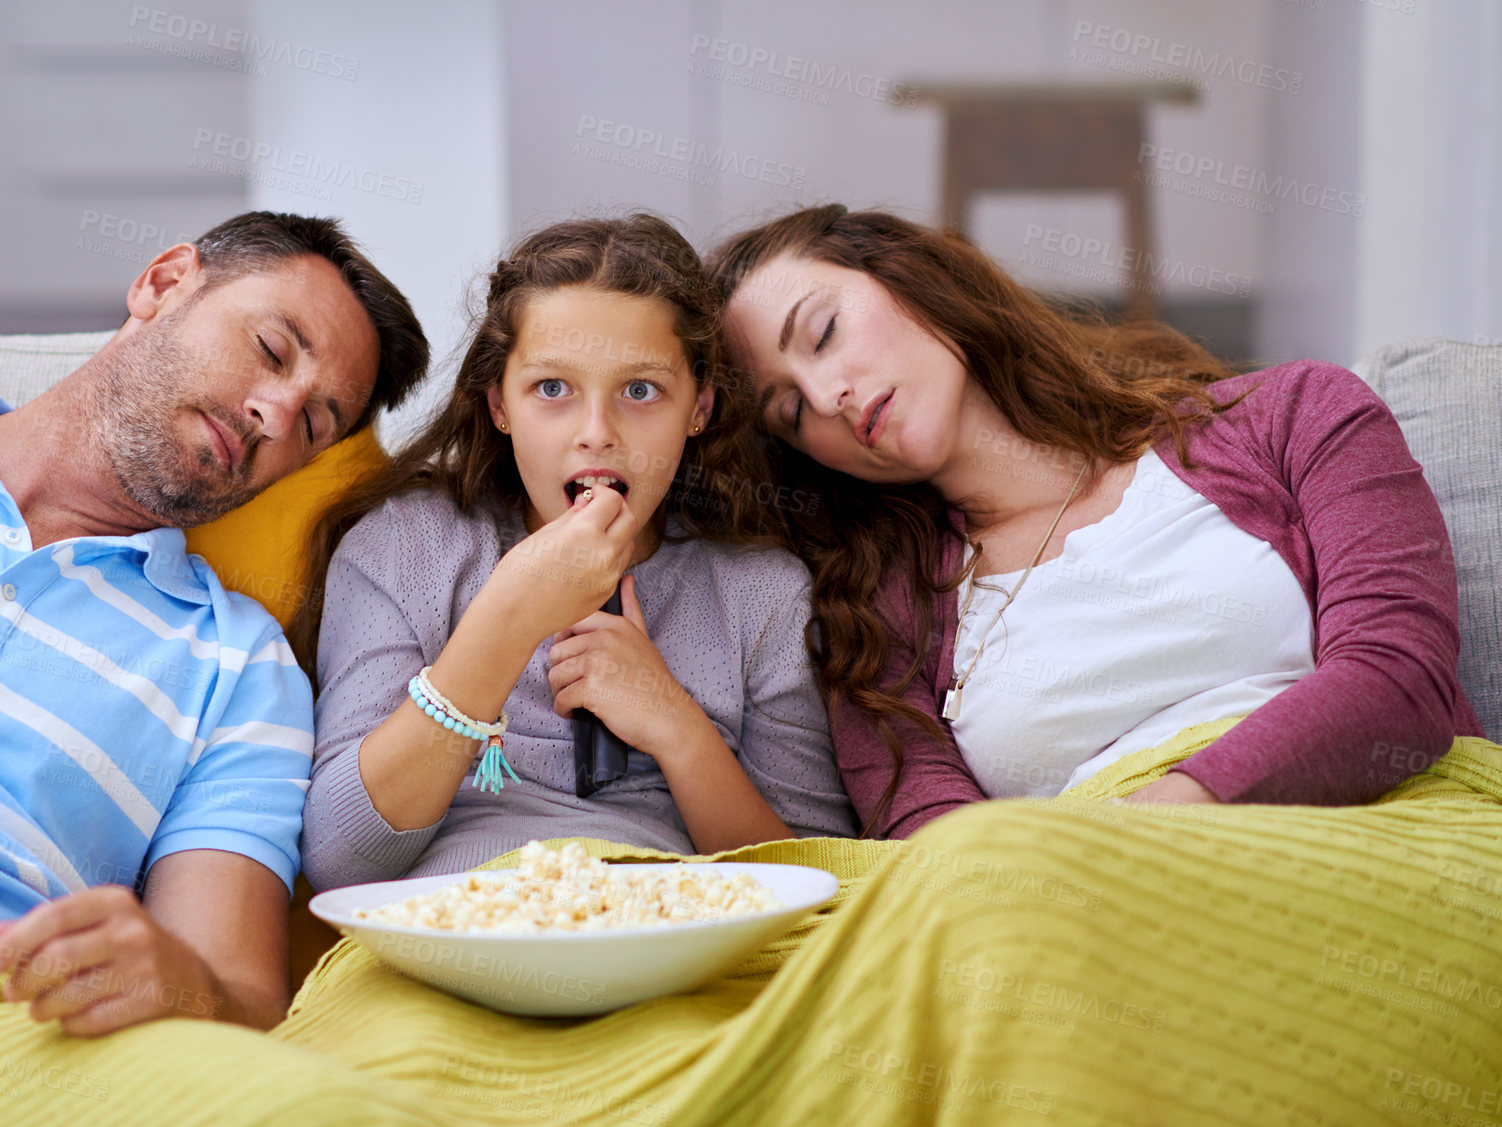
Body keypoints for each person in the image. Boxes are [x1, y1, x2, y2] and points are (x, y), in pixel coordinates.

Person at [0, 210, 427, 1037]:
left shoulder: (236, 666)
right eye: (272, 351)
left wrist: (175, 984)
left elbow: (242, 999)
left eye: (313, 424)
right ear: (164, 284)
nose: (275, 412)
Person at [709, 203, 1484, 831]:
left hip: (1380, 832)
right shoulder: (877, 626)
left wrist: (1159, 823)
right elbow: (943, 852)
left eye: (822, 331)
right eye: (789, 409)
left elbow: (1398, 682)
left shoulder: (1296, 414)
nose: (825, 396)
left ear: (910, 277)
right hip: (1085, 920)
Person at [295, 213, 857, 893]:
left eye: (641, 390)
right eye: (552, 389)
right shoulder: (403, 548)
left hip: (674, 944)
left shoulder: (761, 591)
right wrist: (507, 616)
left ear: (700, 407)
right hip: (450, 941)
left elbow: (819, 883)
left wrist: (677, 726)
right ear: (499, 402)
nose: (597, 433)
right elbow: (340, 857)